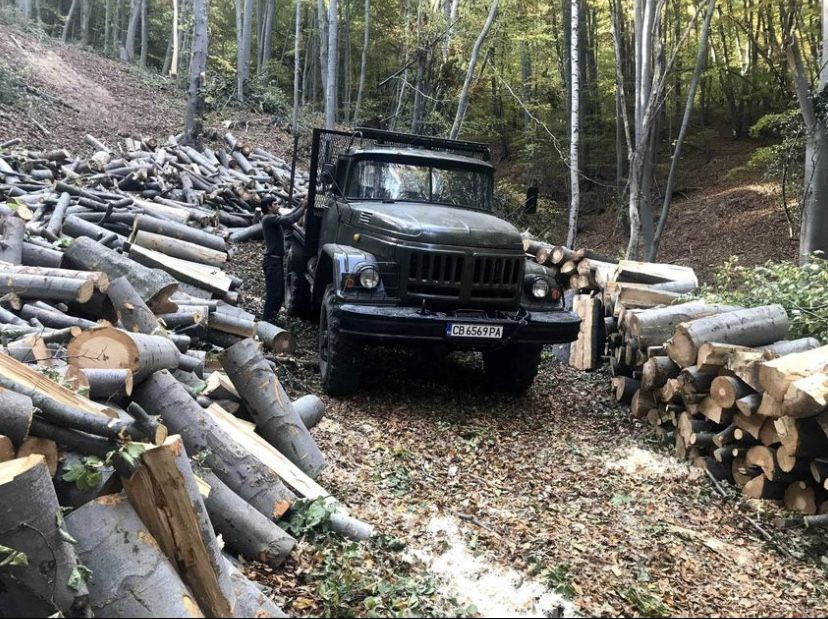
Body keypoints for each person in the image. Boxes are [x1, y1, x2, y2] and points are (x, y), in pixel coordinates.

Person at [261, 196, 305, 323]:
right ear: (269, 207)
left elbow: (289, 216)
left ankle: (270, 320)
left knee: (279, 294)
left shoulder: (272, 218)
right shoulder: (268, 219)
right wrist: (303, 207)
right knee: (273, 294)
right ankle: (266, 322)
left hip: (276, 262)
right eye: (275, 204)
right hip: (272, 262)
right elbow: (289, 220)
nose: (278, 206)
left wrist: (300, 205)